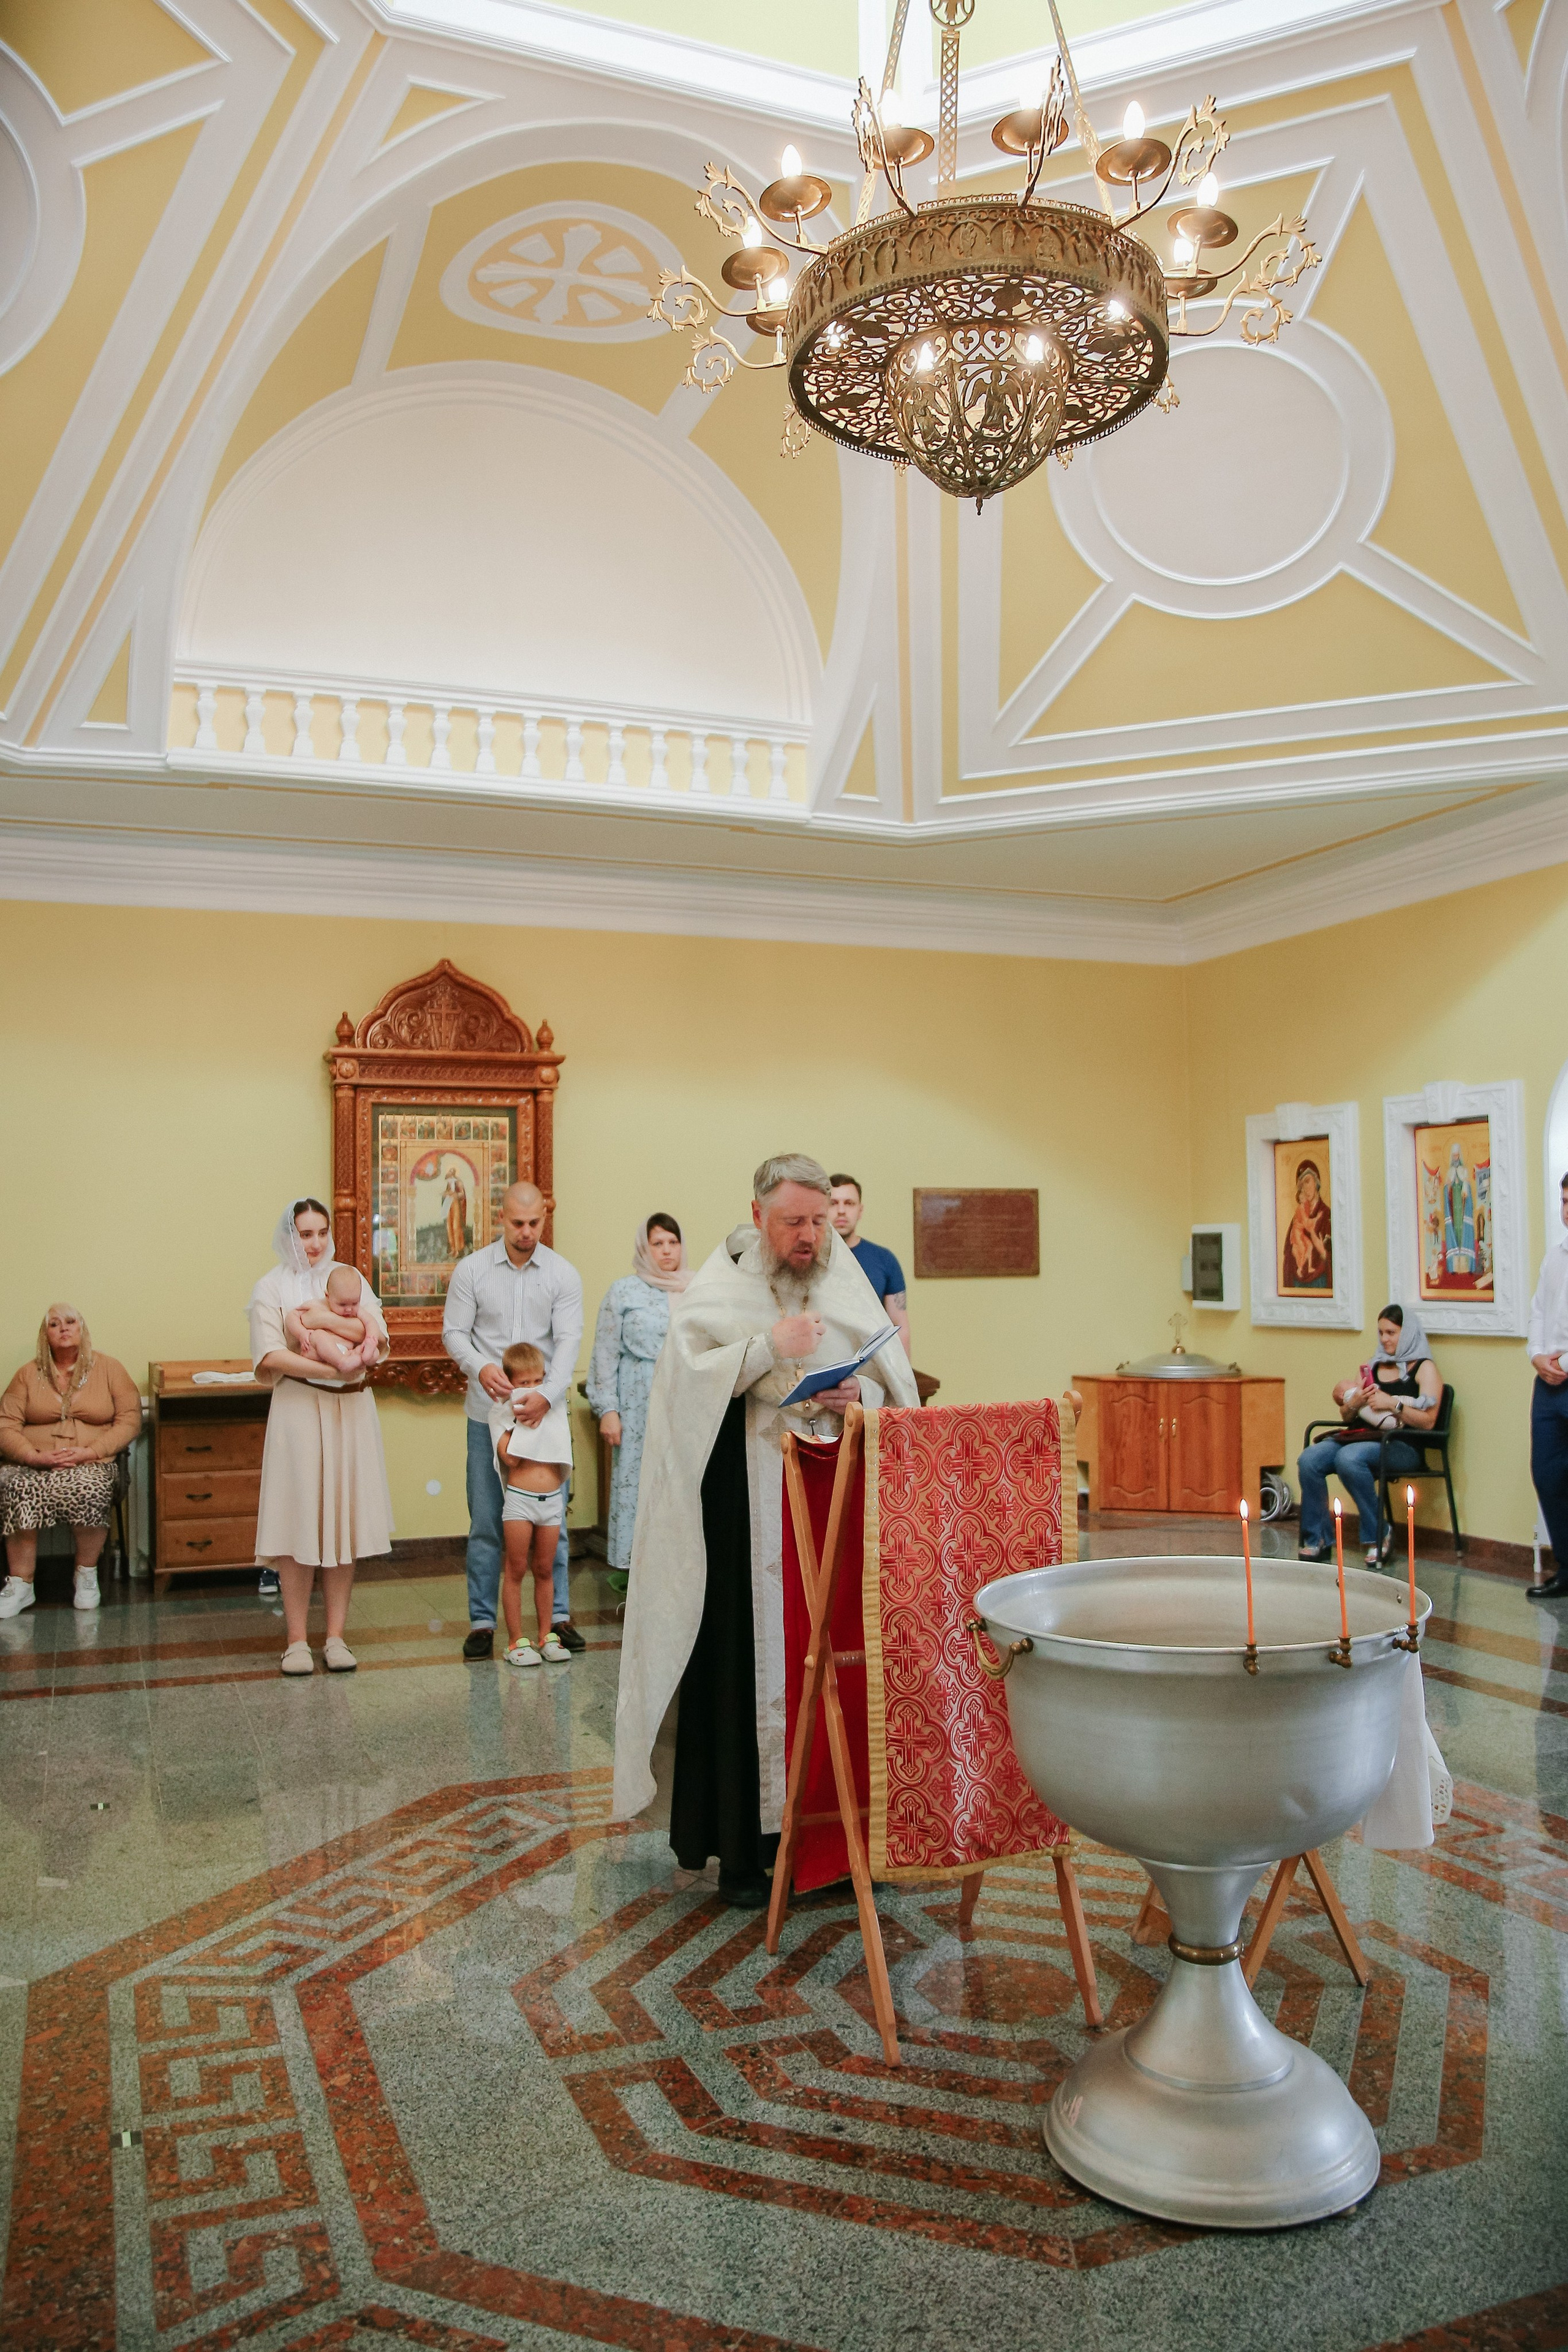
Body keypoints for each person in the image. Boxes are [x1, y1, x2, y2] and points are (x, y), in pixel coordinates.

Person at [613, 1153, 919, 1907]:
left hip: (830, 1515)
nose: (810, 1236)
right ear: (759, 1218)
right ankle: (749, 1855)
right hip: (743, 1519)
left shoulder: (844, 1278)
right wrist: (765, 1351)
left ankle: (837, 1843)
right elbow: (683, 1387)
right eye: (794, 1223)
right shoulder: (719, 1284)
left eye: (818, 1221)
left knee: (837, 1673)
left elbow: (894, 1386)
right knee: (746, 1674)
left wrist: (857, 1396)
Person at [249, 1198, 394, 1675]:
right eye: (304, 1233)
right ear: (289, 1234)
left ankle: (335, 1637)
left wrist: (323, 1322)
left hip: (350, 1410)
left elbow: (375, 1337)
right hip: (298, 1409)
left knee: (342, 1520)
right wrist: (328, 1366)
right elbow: (270, 1355)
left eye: (320, 1233)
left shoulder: (348, 1278)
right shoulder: (270, 1287)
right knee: (300, 1518)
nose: (313, 1243)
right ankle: (295, 1641)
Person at [443, 1180, 585, 1661]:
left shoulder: (563, 1274)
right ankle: (483, 1622)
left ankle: (557, 1619)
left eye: (535, 1223)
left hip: (547, 1417)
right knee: (487, 1522)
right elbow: (454, 1333)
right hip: (488, 1414)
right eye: (517, 1223)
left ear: (547, 1217)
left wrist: (546, 1395)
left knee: (553, 1520)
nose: (526, 1233)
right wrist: (478, 1367)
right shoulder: (473, 1270)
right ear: (499, 1219)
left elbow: (567, 1342)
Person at [0, 1306, 141, 1618]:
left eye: (70, 1322)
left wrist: (91, 1452)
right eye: (54, 1324)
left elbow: (130, 1420)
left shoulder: (110, 1368)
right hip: (33, 1465)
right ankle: (21, 1584)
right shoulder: (27, 1374)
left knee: (90, 1487)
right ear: (45, 1334)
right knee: (15, 1485)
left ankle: (86, 1575)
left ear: (82, 1328)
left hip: (92, 1462)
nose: (63, 1328)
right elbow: (5, 1425)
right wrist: (33, 1457)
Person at [587, 1215, 688, 1594]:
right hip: (636, 1400)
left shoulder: (697, 1290)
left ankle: (679, 1566)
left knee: (681, 1482)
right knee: (639, 1482)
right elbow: (604, 1355)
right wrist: (608, 1410)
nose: (666, 1251)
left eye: (672, 1243)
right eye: (657, 1244)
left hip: (684, 1400)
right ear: (644, 1249)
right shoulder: (623, 1292)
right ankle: (636, 1572)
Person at [1297, 1304, 1440, 1568]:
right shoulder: (1371, 1366)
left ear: (1407, 1333)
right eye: (1381, 1333)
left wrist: (1392, 1405)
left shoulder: (1424, 1368)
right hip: (1358, 1437)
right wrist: (1354, 1402)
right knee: (1310, 1459)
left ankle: (1378, 1535)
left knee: (1350, 1459)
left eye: (1392, 1333)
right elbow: (1347, 1417)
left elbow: (1429, 1421)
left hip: (1402, 1445)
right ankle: (1317, 1538)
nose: (1385, 1339)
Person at [491, 1341, 573, 1666]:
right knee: (515, 1569)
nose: (532, 1389)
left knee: (544, 1569)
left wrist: (544, 1407)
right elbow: (509, 1457)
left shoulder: (552, 1406)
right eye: (523, 1383)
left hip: (552, 1501)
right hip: (520, 1502)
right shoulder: (500, 1411)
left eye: (538, 1381)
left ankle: (546, 1636)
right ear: (510, 1383)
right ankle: (515, 1641)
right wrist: (519, 1421)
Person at [1526, 1170, 1568, 1600]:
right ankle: (1566, 1568)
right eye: (1564, 1201)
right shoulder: (1555, 1257)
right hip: (1549, 1385)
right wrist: (1537, 1356)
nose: (1567, 1209)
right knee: (1548, 1473)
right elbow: (1538, 1312)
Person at [827, 1174, 910, 1351]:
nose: (841, 1210)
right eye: (833, 1203)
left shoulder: (884, 1260)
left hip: (871, 1364)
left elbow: (899, 1325)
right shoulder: (807, 1258)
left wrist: (903, 1375)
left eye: (849, 1203)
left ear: (860, 1210)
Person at [284, 1264, 380, 1374]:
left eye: (355, 1303)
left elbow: (371, 1322)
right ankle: (341, 1362)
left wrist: (371, 1339)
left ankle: (366, 1358)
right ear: (328, 1296)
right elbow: (292, 1316)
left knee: (374, 1351)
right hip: (320, 1352)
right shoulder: (317, 1305)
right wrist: (301, 1333)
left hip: (349, 1352)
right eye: (342, 1304)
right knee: (319, 1335)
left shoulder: (357, 1310)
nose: (349, 1309)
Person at [1281, 1156, 1332, 1291]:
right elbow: (1288, 1253)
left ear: (1317, 1182)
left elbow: (1330, 1254)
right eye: (1301, 1184)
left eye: (1307, 1181)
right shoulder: (1297, 1217)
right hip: (1298, 1281)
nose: (1305, 1187)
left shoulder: (1327, 1214)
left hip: (1320, 1279)